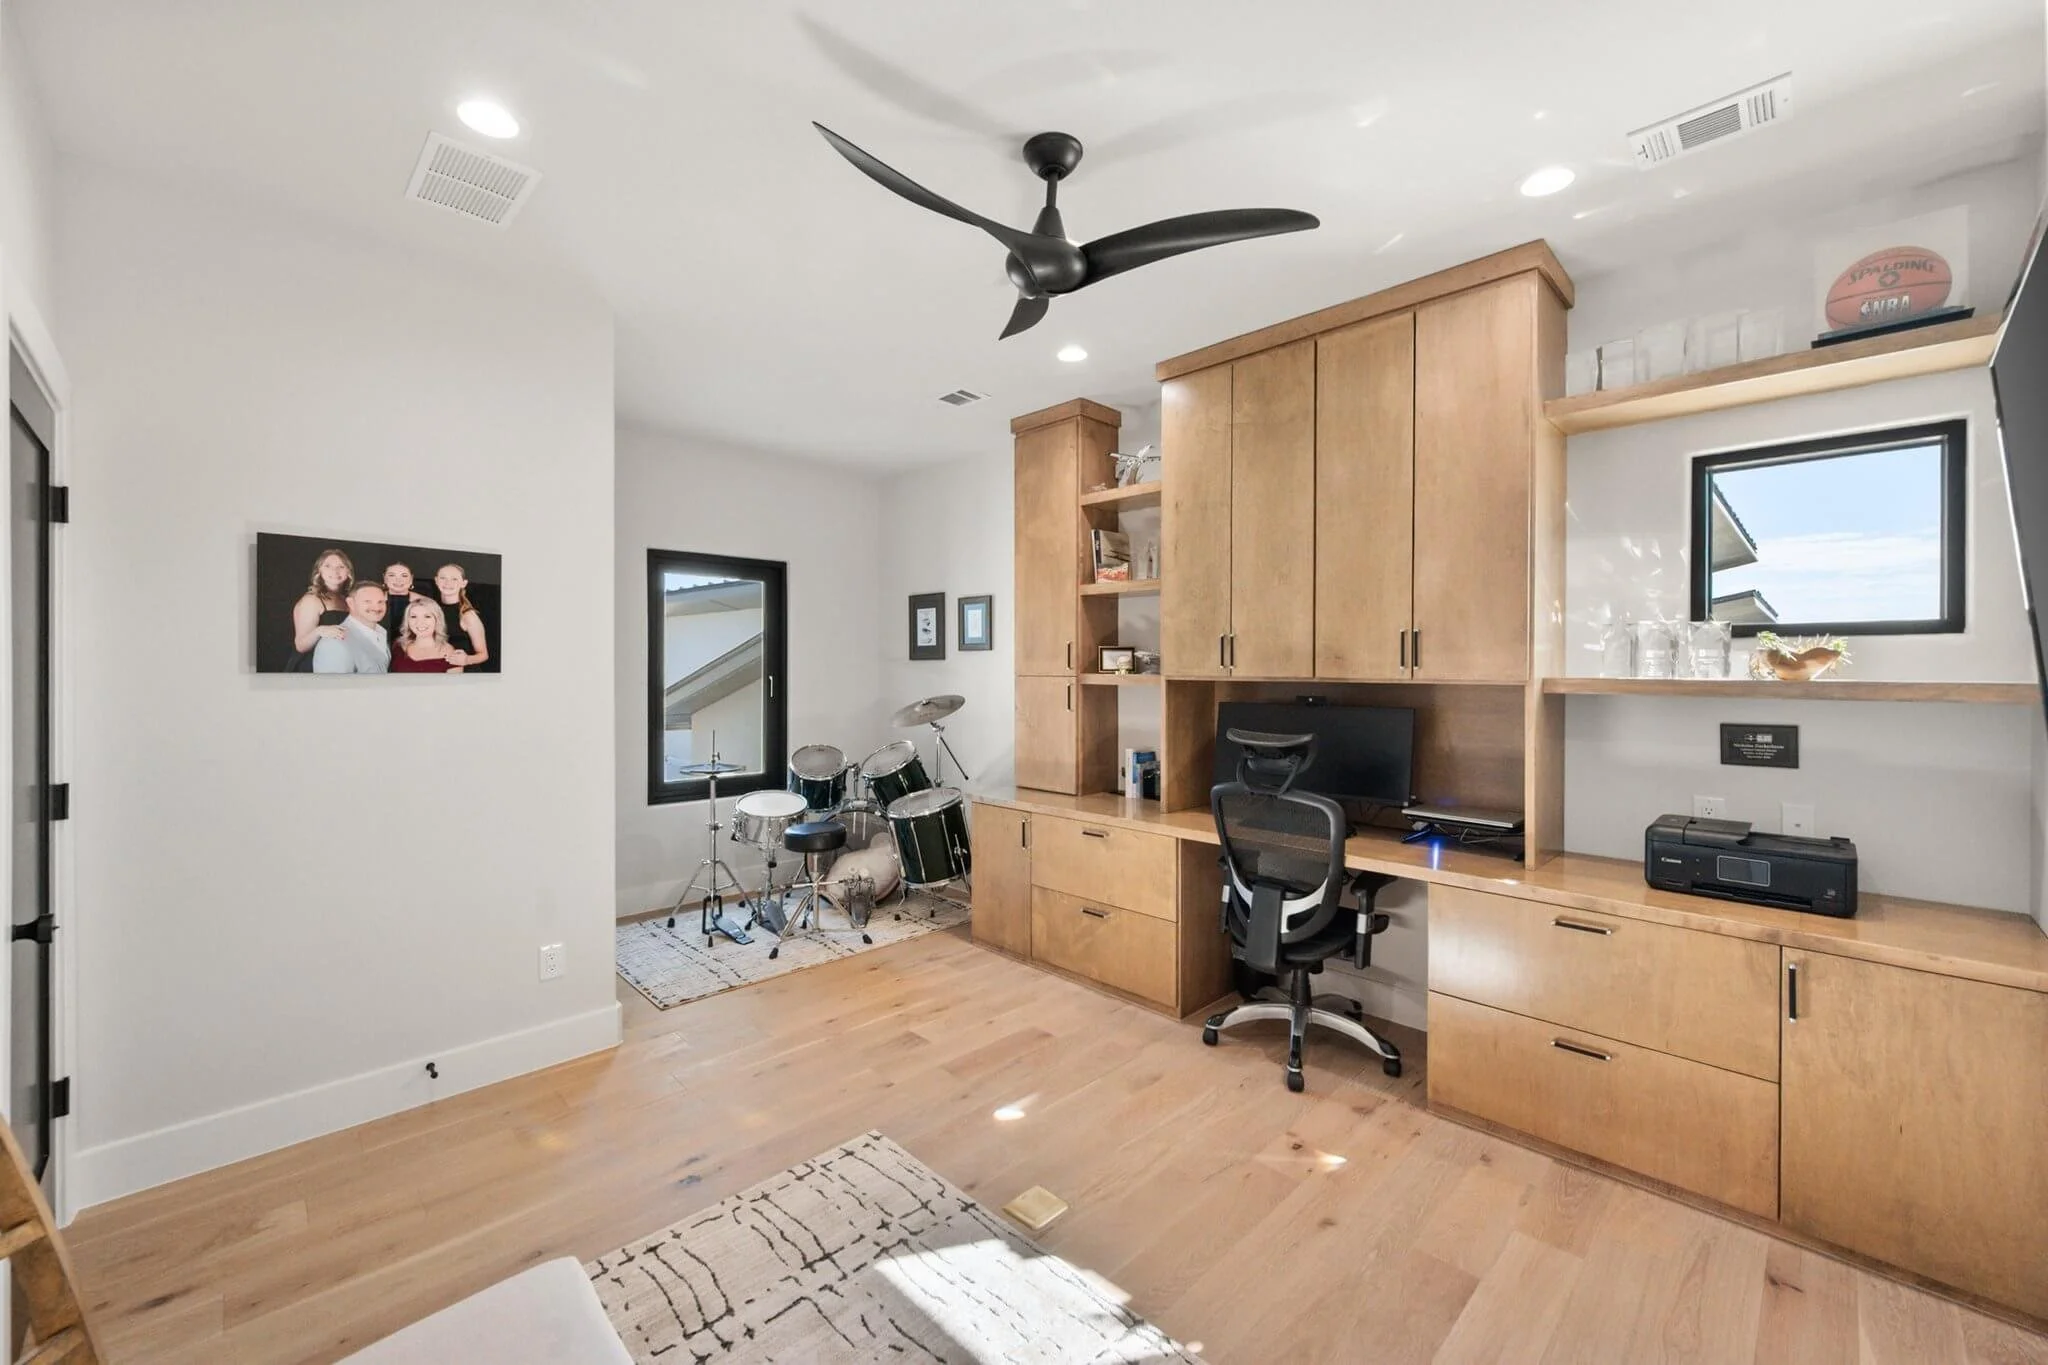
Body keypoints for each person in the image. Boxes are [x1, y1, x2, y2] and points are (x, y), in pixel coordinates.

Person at [288, 548, 353, 667]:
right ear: (319, 571)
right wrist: (320, 630)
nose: (335, 571)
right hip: (311, 668)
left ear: (348, 571)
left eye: (341, 566)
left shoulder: (348, 600)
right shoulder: (312, 600)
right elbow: (301, 646)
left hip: (339, 666)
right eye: (327, 566)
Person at [311, 580, 391, 674]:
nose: (376, 607)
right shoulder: (335, 642)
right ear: (350, 603)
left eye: (380, 602)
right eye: (368, 601)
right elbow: (332, 687)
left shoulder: (381, 633)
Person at [389, 598, 471, 673]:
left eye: (427, 616)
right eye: (413, 617)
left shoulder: (451, 654)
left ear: (437, 620)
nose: (420, 622)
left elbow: (454, 688)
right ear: (407, 621)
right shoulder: (398, 646)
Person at [433, 563, 490, 668]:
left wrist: (467, 659)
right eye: (443, 578)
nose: (447, 582)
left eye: (454, 579)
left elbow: (484, 655)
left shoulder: (468, 615)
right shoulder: (431, 608)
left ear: (463, 583)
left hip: (464, 676)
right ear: (436, 580)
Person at [378, 561, 428, 640]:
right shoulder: (374, 600)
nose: (398, 580)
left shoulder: (425, 602)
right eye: (392, 575)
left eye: (404, 576)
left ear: (411, 579)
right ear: (385, 578)